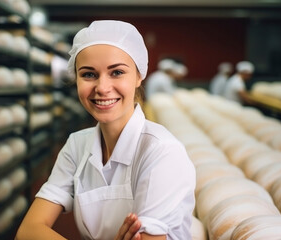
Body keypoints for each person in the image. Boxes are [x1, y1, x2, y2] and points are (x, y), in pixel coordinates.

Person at [15, 20, 196, 240]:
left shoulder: (162, 151)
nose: (102, 88)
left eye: (117, 72)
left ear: (139, 76)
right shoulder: (77, 145)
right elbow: (27, 231)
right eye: (88, 74)